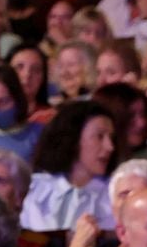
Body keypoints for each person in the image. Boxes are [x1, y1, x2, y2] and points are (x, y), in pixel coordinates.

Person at [20, 100, 117, 233]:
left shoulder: (114, 194)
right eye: (99, 137)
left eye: (111, 138)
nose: (110, 147)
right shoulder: (35, 189)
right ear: (73, 138)